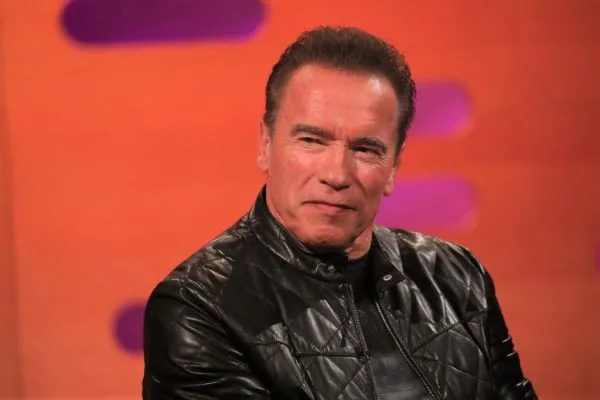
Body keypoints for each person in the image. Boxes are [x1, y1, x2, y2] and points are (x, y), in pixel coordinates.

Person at [142, 25, 537, 399]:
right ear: (265, 144)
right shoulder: (197, 309)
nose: (336, 175)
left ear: (393, 166)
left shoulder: (458, 277)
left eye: (365, 149)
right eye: (311, 140)